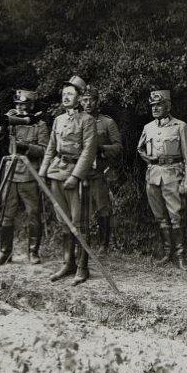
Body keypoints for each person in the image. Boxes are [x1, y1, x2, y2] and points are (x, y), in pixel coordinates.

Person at [39, 76, 98, 285]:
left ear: (80, 98)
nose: (65, 97)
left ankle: (82, 268)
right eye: (64, 94)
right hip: (56, 173)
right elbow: (50, 148)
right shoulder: (58, 120)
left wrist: (75, 176)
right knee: (64, 222)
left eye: (70, 94)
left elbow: (89, 151)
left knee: (79, 223)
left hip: (76, 176)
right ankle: (68, 263)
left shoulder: (87, 120)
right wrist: (43, 172)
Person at [137, 90, 187, 270]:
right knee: (160, 217)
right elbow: (140, 148)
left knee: (176, 217)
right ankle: (167, 254)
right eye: (153, 106)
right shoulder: (148, 127)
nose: (155, 108)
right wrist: (150, 161)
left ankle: (180, 256)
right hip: (153, 176)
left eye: (159, 105)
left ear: (168, 106)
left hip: (173, 176)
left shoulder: (181, 126)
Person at [0, 89, 49, 266]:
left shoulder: (39, 125)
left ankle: (33, 252)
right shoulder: (11, 123)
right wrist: (3, 122)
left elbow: (44, 150)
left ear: (31, 106)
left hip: (29, 174)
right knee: (6, 214)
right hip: (10, 174)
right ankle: (5, 252)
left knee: (33, 214)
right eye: (17, 105)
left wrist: (24, 146)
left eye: (24, 105)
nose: (20, 108)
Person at [80, 85, 123, 253]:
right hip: (79, 171)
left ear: (97, 102)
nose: (88, 103)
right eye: (85, 100)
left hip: (99, 171)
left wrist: (101, 149)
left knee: (102, 208)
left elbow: (118, 147)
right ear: (80, 102)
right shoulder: (76, 120)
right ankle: (82, 244)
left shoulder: (107, 122)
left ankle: (103, 245)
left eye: (91, 100)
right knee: (80, 208)